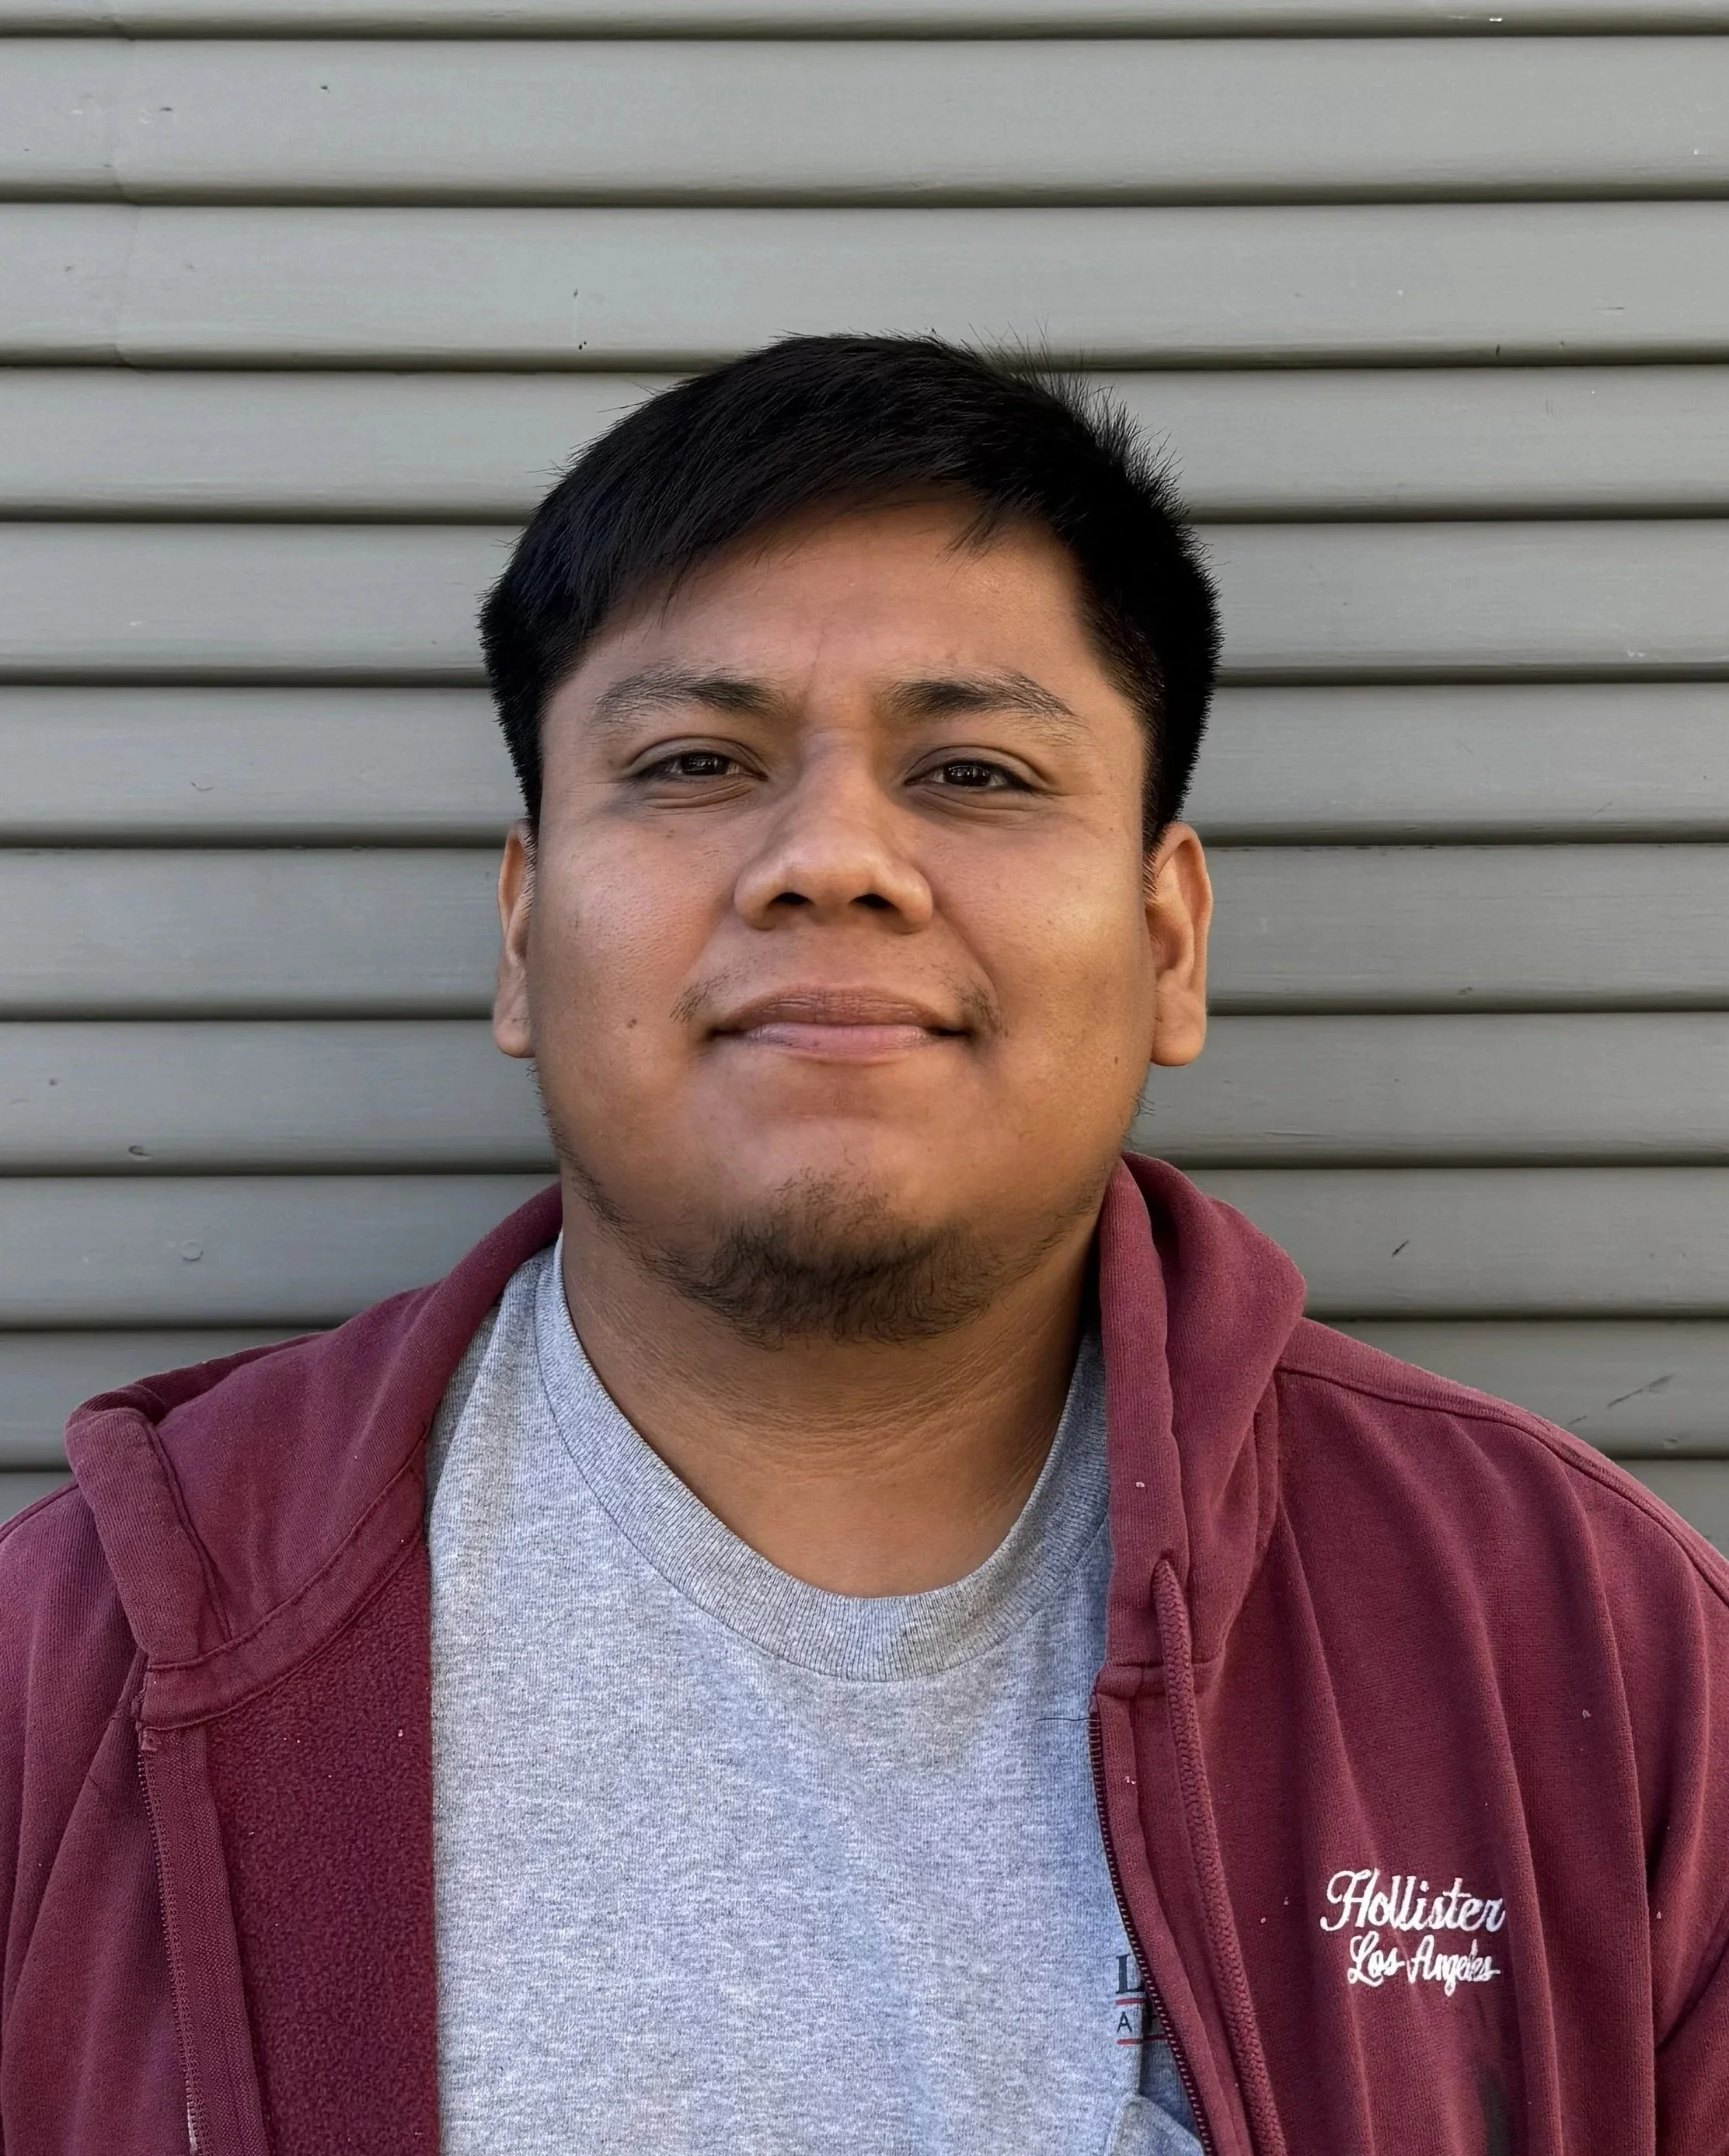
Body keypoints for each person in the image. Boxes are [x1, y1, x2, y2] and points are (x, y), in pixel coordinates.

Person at [2, 336, 1725, 2156]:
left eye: (974, 772)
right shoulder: (83, 1657)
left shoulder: (1581, 1647)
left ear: (1167, 939)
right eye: (690, 760)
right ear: (522, 935)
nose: (829, 858)